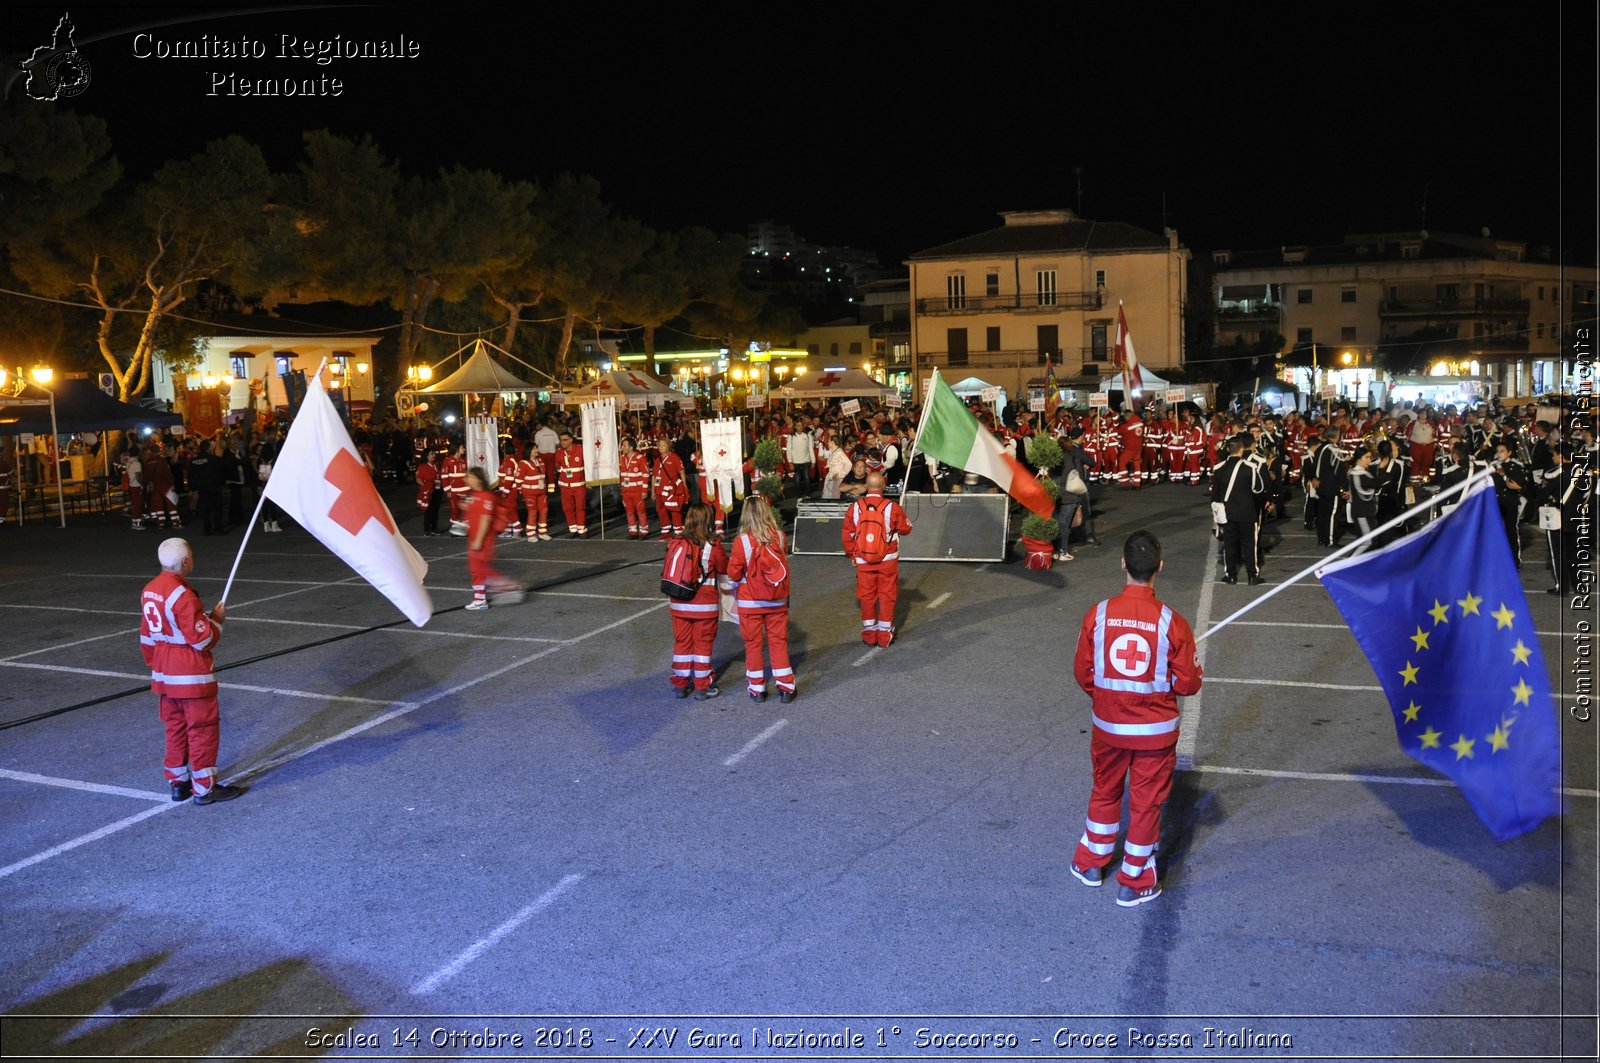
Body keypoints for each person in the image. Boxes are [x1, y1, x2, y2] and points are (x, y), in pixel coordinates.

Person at [1069, 531, 1202, 907]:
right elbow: (1189, 684)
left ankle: (1091, 862)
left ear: (1123, 564)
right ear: (1159, 567)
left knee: (1105, 789)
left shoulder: (1099, 614)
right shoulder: (1172, 622)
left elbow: (1084, 673)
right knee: (1145, 804)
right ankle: (1135, 880)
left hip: (1108, 728)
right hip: (1155, 737)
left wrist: (1110, 701)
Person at [139, 538, 244, 805]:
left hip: (164, 672)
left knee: (175, 727)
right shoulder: (182, 594)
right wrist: (216, 620)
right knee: (202, 728)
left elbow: (147, 636)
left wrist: (157, 664)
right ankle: (204, 787)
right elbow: (202, 639)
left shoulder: (149, 590)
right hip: (190, 672)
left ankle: (178, 782)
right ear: (186, 562)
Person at [726, 494, 795, 703]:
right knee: (778, 642)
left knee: (753, 645)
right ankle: (786, 686)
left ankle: (757, 688)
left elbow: (734, 573)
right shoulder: (780, 536)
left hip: (750, 601)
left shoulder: (743, 541)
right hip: (776, 598)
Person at [841, 471, 914, 647]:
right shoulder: (892, 507)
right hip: (887, 558)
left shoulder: (856, 507)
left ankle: (869, 632)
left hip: (863, 558)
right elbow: (906, 529)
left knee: (866, 595)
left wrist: (853, 554)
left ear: (866, 486)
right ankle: (885, 633)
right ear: (883, 486)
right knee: (887, 594)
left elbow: (847, 533)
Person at [663, 502, 726, 700]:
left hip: (679, 601)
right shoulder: (713, 544)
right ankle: (702, 686)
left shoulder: (676, 541)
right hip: (704, 604)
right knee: (703, 644)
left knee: (682, 643)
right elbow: (725, 567)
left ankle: (680, 684)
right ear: (707, 520)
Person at [463, 466, 523, 610]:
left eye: (469, 476)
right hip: (474, 538)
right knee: (476, 569)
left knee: (480, 569)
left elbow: (485, 520)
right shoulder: (474, 496)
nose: (466, 479)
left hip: (483, 540)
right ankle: (480, 598)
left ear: (477, 479)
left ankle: (508, 586)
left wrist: (478, 540)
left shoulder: (486, 497)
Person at [1210, 435, 1265, 584]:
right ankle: (1252, 575)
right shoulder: (1250, 468)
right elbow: (1259, 489)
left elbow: (1214, 495)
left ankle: (1231, 575)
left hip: (1227, 513)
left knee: (1229, 545)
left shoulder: (1219, 469)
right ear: (1241, 450)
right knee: (1249, 545)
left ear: (1228, 450)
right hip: (1247, 512)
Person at [652, 437, 690, 540]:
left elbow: (681, 472)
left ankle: (678, 531)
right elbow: (654, 476)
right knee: (661, 510)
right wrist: (653, 491)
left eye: (663, 445)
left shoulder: (675, 458)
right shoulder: (657, 460)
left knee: (674, 509)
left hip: (671, 489)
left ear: (669, 446)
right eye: (659, 445)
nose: (661, 447)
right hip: (659, 489)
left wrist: (684, 486)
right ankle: (665, 531)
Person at [555, 430, 588, 537]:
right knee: (567, 508)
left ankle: (581, 529)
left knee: (580, 507)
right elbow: (558, 467)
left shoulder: (580, 450)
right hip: (565, 486)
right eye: (561, 440)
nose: (563, 442)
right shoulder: (559, 452)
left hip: (578, 485)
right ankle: (572, 529)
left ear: (571, 440)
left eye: (565, 440)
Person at [619, 437, 652, 539]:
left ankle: (644, 531)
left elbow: (646, 475)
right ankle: (632, 531)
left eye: (624, 445)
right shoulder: (621, 458)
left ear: (631, 447)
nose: (622, 447)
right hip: (626, 490)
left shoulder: (640, 458)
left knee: (640, 511)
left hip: (637, 490)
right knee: (629, 511)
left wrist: (644, 491)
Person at [416, 448, 445, 536]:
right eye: (431, 454)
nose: (434, 455)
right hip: (429, 491)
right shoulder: (422, 467)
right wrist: (425, 488)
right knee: (428, 510)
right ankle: (427, 530)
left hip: (438, 490)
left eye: (434, 453)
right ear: (426, 456)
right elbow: (418, 479)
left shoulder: (437, 465)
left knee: (436, 510)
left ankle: (434, 528)